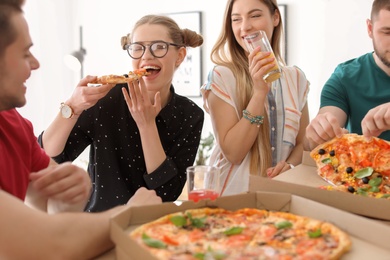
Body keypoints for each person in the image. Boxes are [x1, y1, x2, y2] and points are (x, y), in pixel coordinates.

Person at [0, 0, 162, 258]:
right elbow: (52, 243)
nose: (36, 64)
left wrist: (67, 196)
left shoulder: (16, 124)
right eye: (24, 53)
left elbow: (45, 201)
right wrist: (131, 213)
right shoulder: (104, 105)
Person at [38, 15, 205, 212]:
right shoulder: (106, 97)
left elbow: (166, 193)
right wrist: (72, 107)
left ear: (180, 55)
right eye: (138, 47)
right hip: (100, 226)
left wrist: (146, 124)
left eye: (159, 47)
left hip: (155, 228)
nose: (146, 56)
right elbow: (48, 158)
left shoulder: (190, 115)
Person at [201, 0, 310, 196]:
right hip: (230, 201)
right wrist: (259, 92)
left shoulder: (296, 78)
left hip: (280, 198)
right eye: (236, 19)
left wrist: (290, 166)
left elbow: (303, 143)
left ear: (275, 17)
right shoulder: (222, 76)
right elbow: (234, 153)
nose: (245, 26)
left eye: (255, 15)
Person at [305, 0, 390, 150]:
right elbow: (316, 143)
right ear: (370, 28)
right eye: (388, 32)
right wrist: (319, 132)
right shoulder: (344, 77)